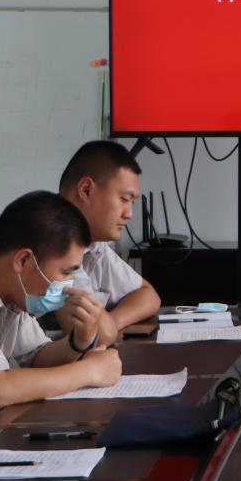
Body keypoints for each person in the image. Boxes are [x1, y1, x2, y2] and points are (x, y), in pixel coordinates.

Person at [0, 191, 122, 409]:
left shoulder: (12, 293)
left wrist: (78, 341)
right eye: (65, 272)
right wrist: (89, 371)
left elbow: (37, 357)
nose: (69, 284)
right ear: (24, 260)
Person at [58, 140, 161, 345]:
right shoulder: (53, 243)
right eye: (124, 199)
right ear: (86, 190)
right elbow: (96, 335)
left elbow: (149, 296)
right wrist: (106, 328)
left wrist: (113, 322)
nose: (129, 214)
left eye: (132, 202)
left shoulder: (94, 246)